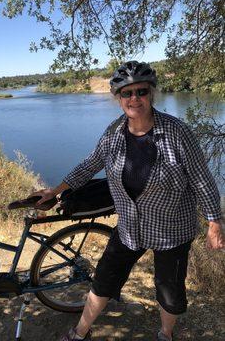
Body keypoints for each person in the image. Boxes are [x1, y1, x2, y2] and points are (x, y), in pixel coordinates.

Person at [29, 61, 225, 341]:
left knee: (169, 290)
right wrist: (55, 190)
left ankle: (165, 334)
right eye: (127, 93)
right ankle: (80, 333)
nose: (134, 99)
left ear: (152, 93)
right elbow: (89, 164)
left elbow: (202, 179)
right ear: (118, 98)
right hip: (130, 227)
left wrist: (213, 222)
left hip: (171, 229)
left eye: (141, 91)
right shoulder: (113, 133)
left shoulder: (177, 133)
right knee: (104, 279)